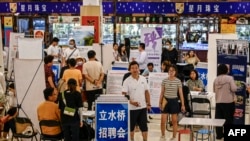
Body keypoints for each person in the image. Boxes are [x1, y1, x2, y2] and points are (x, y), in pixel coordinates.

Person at [122, 61, 151, 141]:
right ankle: (132, 139)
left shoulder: (143, 79)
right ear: (130, 70)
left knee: (144, 126)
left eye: (136, 68)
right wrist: (132, 102)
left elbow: (146, 92)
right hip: (131, 109)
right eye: (132, 68)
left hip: (142, 107)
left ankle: (145, 140)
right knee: (131, 127)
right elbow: (124, 95)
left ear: (139, 69)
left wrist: (149, 103)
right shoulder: (127, 81)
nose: (134, 70)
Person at [159, 64, 185, 141]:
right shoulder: (164, 80)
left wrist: (183, 105)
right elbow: (162, 92)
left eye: (173, 71)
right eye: (170, 70)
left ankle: (174, 137)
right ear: (168, 72)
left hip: (174, 101)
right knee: (163, 120)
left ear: (175, 72)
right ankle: (163, 136)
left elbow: (181, 94)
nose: (171, 72)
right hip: (165, 100)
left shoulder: (178, 81)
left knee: (174, 121)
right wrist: (160, 102)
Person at [213, 64, 237, 140]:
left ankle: (219, 135)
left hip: (218, 102)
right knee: (228, 120)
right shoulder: (230, 78)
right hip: (229, 103)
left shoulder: (216, 80)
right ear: (226, 70)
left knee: (218, 120)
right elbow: (234, 89)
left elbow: (214, 90)